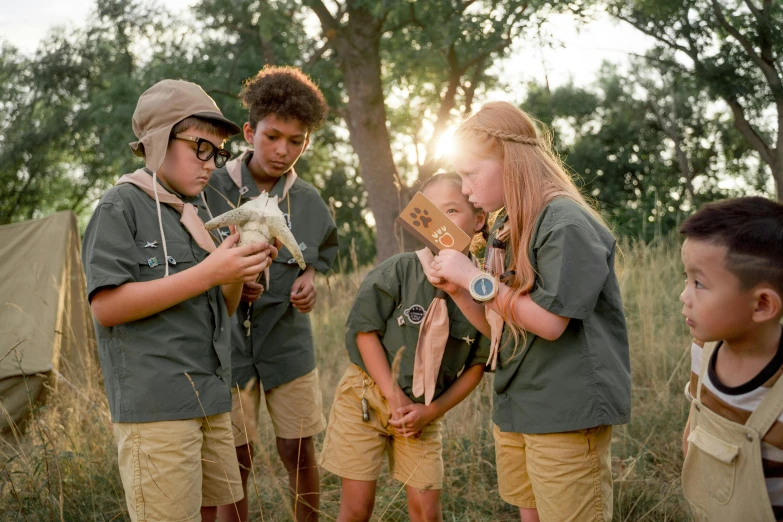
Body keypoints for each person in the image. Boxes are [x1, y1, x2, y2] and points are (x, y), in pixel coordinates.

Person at [82, 79, 276, 522]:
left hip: (209, 396)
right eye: (200, 148)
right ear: (157, 142)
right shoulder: (120, 207)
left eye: (218, 153)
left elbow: (221, 309)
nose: (211, 164)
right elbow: (106, 307)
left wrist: (236, 271)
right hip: (158, 410)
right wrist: (210, 272)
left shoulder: (204, 210)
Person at [430, 101, 631, 522]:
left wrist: (472, 278)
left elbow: (551, 323)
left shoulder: (564, 221)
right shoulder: (510, 225)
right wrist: (463, 291)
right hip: (520, 406)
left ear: (510, 160)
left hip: (564, 412)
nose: (465, 189)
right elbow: (499, 326)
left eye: (470, 173)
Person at [201, 66, 338, 522]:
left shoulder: (311, 201)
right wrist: (235, 281)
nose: (283, 151)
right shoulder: (210, 191)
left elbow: (321, 252)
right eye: (272, 136)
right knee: (233, 457)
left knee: (297, 448)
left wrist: (310, 278)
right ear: (248, 131)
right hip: (226, 347)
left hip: (287, 341)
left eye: (296, 141)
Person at [319, 172, 491, 522]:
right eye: (433, 212)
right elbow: (364, 333)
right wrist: (393, 397)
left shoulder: (486, 290)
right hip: (366, 398)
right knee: (356, 507)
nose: (442, 221)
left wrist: (433, 411)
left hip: (425, 411)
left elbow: (476, 367)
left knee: (426, 511)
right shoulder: (398, 270)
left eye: (453, 210)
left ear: (479, 219)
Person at [679, 197, 783, 521]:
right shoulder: (703, 350)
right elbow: (695, 421)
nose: (684, 296)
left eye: (699, 283)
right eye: (686, 279)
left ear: (762, 305)